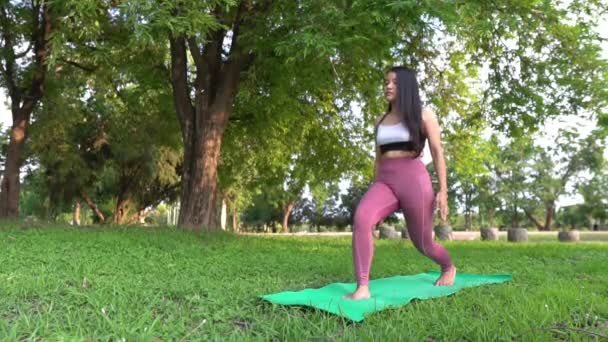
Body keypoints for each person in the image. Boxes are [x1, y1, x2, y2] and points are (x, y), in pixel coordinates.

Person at [343, 66, 456, 300]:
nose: (388, 86)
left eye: (394, 82)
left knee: (423, 243)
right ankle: (362, 286)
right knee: (362, 218)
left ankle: (448, 267)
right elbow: (379, 158)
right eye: (386, 82)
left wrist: (443, 191)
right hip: (385, 182)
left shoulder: (423, 115)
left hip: (415, 182)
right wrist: (375, 194)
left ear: (406, 86)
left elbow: (437, 152)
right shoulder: (380, 120)